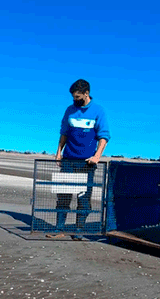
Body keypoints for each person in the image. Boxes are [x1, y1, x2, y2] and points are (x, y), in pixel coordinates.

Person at [55, 79, 110, 239]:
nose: (75, 100)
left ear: (86, 94)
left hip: (87, 162)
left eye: (78, 97)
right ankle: (59, 229)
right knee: (63, 196)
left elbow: (104, 136)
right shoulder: (69, 110)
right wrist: (59, 152)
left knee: (83, 198)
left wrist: (97, 156)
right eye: (73, 97)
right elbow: (64, 132)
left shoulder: (98, 111)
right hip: (68, 160)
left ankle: (79, 230)